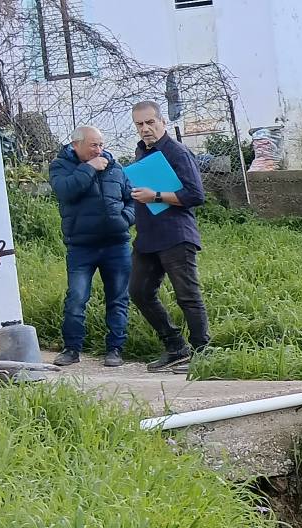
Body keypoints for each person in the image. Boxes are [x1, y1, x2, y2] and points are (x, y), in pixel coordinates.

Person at [126, 101, 210, 373]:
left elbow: (195, 195)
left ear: (162, 122)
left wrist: (156, 196)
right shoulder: (141, 152)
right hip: (148, 236)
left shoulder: (177, 152)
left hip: (176, 234)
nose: (145, 129)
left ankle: (203, 354)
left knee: (187, 295)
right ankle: (175, 347)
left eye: (150, 122)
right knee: (138, 291)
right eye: (139, 124)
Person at [47, 125, 134, 367]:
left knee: (118, 298)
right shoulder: (60, 167)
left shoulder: (116, 168)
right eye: (93, 145)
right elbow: (66, 192)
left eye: (101, 145)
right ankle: (71, 349)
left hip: (116, 245)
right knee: (76, 298)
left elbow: (132, 198)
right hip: (81, 247)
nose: (99, 150)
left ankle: (115, 349)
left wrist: (125, 218)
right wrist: (88, 168)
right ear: (76, 145)